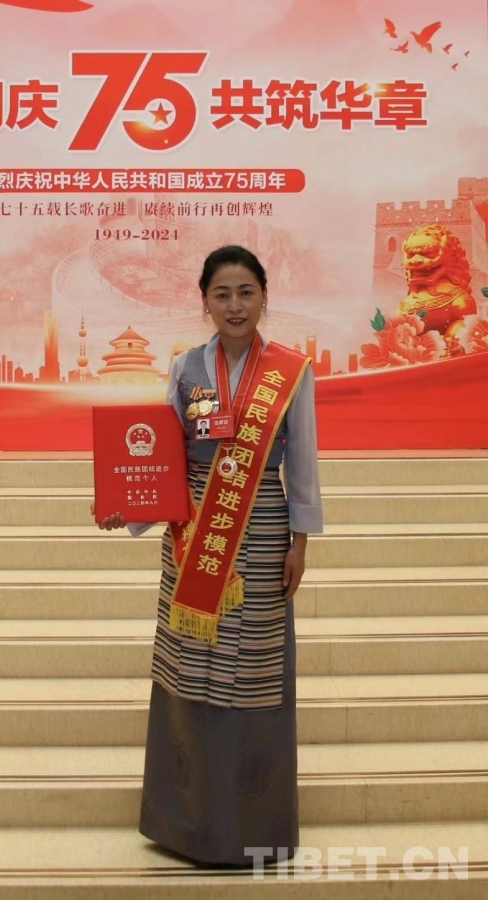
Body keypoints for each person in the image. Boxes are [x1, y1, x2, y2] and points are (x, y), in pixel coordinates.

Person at [94, 245, 323, 868]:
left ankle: (253, 824)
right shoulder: (185, 367)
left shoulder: (291, 372)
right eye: (222, 294)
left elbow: (302, 461)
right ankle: (187, 825)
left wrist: (300, 540)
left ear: (264, 297)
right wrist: (127, 507)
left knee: (252, 668)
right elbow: (162, 455)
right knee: (190, 664)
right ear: (205, 303)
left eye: (246, 292)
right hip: (194, 528)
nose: (235, 305)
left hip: (264, 529)